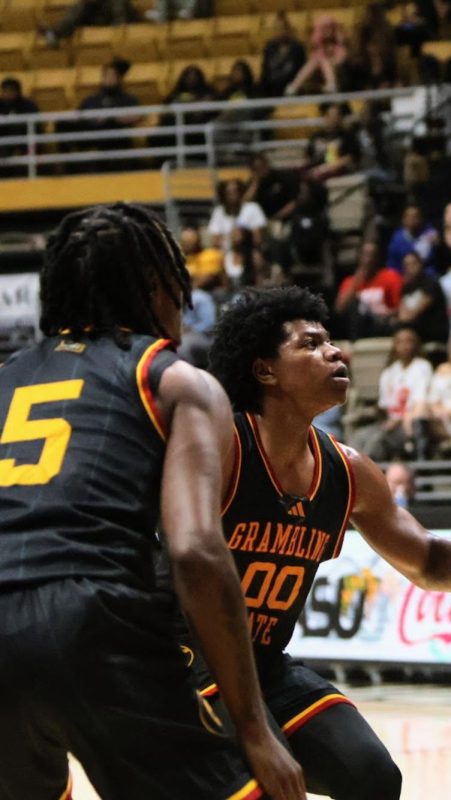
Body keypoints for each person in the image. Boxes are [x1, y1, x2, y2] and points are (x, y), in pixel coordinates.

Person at [192, 287, 451, 799]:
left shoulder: (348, 469)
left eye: (332, 341)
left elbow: (426, 560)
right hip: (178, 663)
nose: (336, 352)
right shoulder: (221, 446)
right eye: (311, 345)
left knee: (373, 778)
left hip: (260, 663)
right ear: (265, 371)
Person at [0, 203, 304, 800]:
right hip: (89, 613)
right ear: (154, 286)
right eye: (176, 281)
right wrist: (254, 726)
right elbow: (193, 549)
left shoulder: (6, 376)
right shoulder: (174, 379)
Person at [353, 327, 433, 462]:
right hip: (389, 423)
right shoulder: (389, 372)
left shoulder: (422, 367)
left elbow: (420, 403)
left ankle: (369, 478)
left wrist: (396, 421)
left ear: (416, 344)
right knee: (358, 437)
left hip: (410, 425)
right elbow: (385, 406)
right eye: (400, 342)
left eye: (409, 341)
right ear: (395, 345)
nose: (405, 346)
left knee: (377, 440)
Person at [208, 178, 267, 285]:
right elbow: (215, 241)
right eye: (229, 192)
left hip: (249, 250)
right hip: (226, 252)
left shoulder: (252, 209)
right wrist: (232, 240)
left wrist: (242, 237)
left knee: (256, 256)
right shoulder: (218, 212)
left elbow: (258, 238)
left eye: (236, 191)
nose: (232, 195)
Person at [397, 251, 451, 347]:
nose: (410, 268)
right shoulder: (406, 288)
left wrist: (405, 317)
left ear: (421, 264)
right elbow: (402, 315)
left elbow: (414, 313)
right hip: (415, 327)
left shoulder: (430, 284)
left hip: (433, 329)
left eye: (413, 263)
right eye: (407, 265)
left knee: (404, 330)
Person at [287, 13, 349, 95]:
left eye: (330, 27)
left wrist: (331, 58)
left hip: (339, 73)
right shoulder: (319, 47)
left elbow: (342, 60)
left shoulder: (339, 45)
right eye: (324, 28)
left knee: (323, 61)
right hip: (319, 76)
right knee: (315, 61)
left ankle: (331, 84)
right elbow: (314, 59)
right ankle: (295, 86)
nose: (327, 30)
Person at [305, 102, 361, 183]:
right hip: (315, 168)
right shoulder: (316, 136)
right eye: (331, 116)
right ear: (325, 117)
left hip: (336, 170)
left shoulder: (348, 136)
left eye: (337, 116)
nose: (334, 119)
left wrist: (324, 168)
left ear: (341, 118)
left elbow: (350, 158)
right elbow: (308, 156)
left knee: (314, 177)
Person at [261, 12, 307, 97]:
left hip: (292, 91)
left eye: (282, 28)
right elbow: (265, 73)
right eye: (276, 29)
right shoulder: (269, 47)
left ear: (288, 29)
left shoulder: (298, 48)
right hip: (271, 91)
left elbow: (302, 72)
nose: (279, 31)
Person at [386, 205, 439, 270]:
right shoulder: (397, 239)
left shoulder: (429, 233)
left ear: (421, 219)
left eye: (415, 216)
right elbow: (392, 264)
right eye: (409, 216)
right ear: (403, 219)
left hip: (426, 274)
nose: (412, 219)